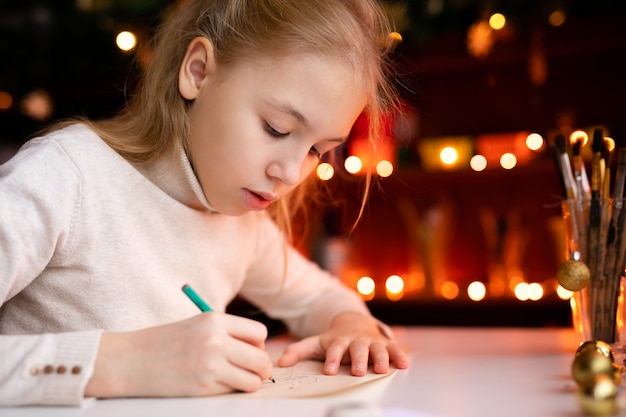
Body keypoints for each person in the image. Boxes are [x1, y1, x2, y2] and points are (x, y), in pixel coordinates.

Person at [0, 0, 409, 406]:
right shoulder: (67, 177)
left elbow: (321, 299)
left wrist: (353, 325)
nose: (290, 173)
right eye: (276, 128)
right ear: (198, 72)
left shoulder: (240, 224)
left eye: (318, 150)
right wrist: (124, 363)